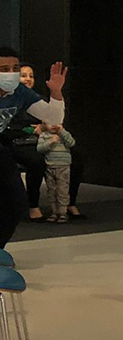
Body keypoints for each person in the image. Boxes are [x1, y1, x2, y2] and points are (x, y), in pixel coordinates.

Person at [0, 51, 67, 248]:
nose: (11, 74)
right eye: (4, 69)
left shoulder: (19, 92)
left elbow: (53, 119)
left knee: (17, 202)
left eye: (14, 69)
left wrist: (56, 92)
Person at [11, 63, 85, 221]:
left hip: (47, 139)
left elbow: (54, 118)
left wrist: (56, 93)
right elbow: (10, 126)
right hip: (21, 142)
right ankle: (33, 206)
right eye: (23, 75)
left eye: (31, 76)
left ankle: (68, 203)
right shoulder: (12, 99)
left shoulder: (38, 100)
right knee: (36, 160)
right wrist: (32, 130)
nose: (28, 79)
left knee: (77, 156)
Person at [36, 122, 76, 223]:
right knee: (52, 190)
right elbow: (40, 149)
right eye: (50, 123)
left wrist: (62, 131)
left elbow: (71, 143)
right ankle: (54, 212)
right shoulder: (44, 136)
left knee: (62, 189)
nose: (54, 125)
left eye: (57, 122)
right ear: (44, 125)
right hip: (50, 166)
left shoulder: (63, 134)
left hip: (63, 166)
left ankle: (63, 212)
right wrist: (50, 142)